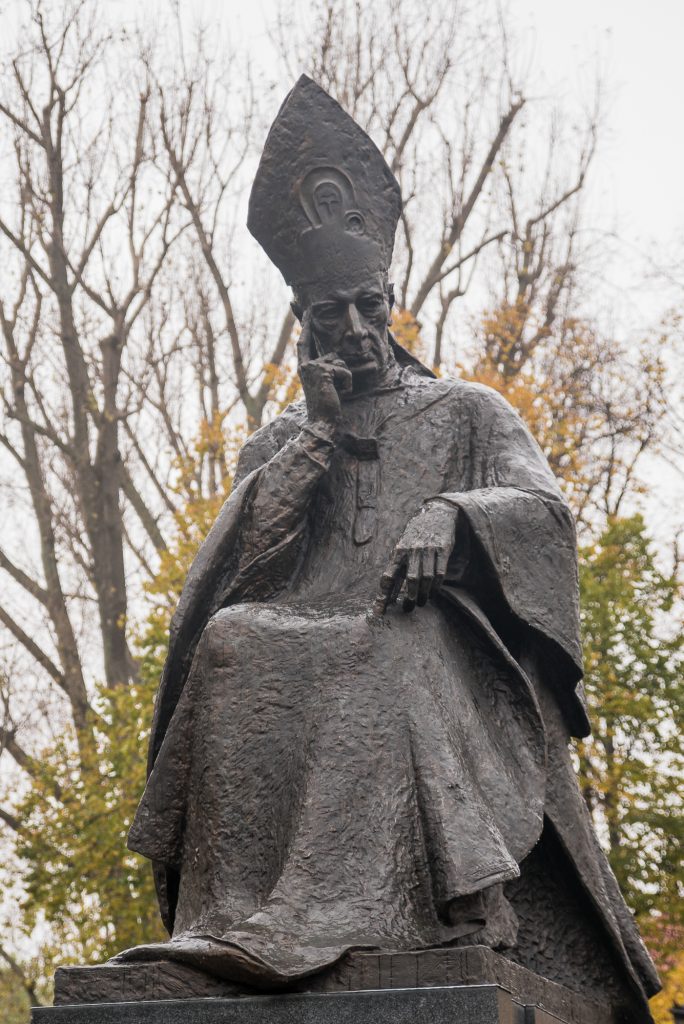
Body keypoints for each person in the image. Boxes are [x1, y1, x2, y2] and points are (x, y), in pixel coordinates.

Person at [117, 76, 659, 1017]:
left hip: (444, 652)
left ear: (393, 297)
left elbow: (546, 514)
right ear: (305, 322)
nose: (358, 330)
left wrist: (457, 516)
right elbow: (243, 570)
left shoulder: (468, 411)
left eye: (370, 306)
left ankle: (444, 902)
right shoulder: (284, 440)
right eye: (333, 315)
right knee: (236, 640)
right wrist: (319, 438)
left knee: (392, 642)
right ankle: (237, 920)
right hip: (306, 634)